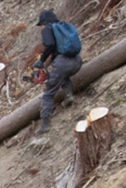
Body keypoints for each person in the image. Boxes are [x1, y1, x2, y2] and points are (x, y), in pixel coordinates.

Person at [30, 9, 84, 139]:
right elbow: (57, 48)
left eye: (41, 24)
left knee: (48, 94)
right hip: (76, 60)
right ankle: (69, 95)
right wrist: (49, 64)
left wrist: (41, 60)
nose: (41, 27)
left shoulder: (47, 29)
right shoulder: (62, 26)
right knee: (63, 76)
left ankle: (45, 124)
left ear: (44, 22)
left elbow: (49, 44)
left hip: (62, 63)